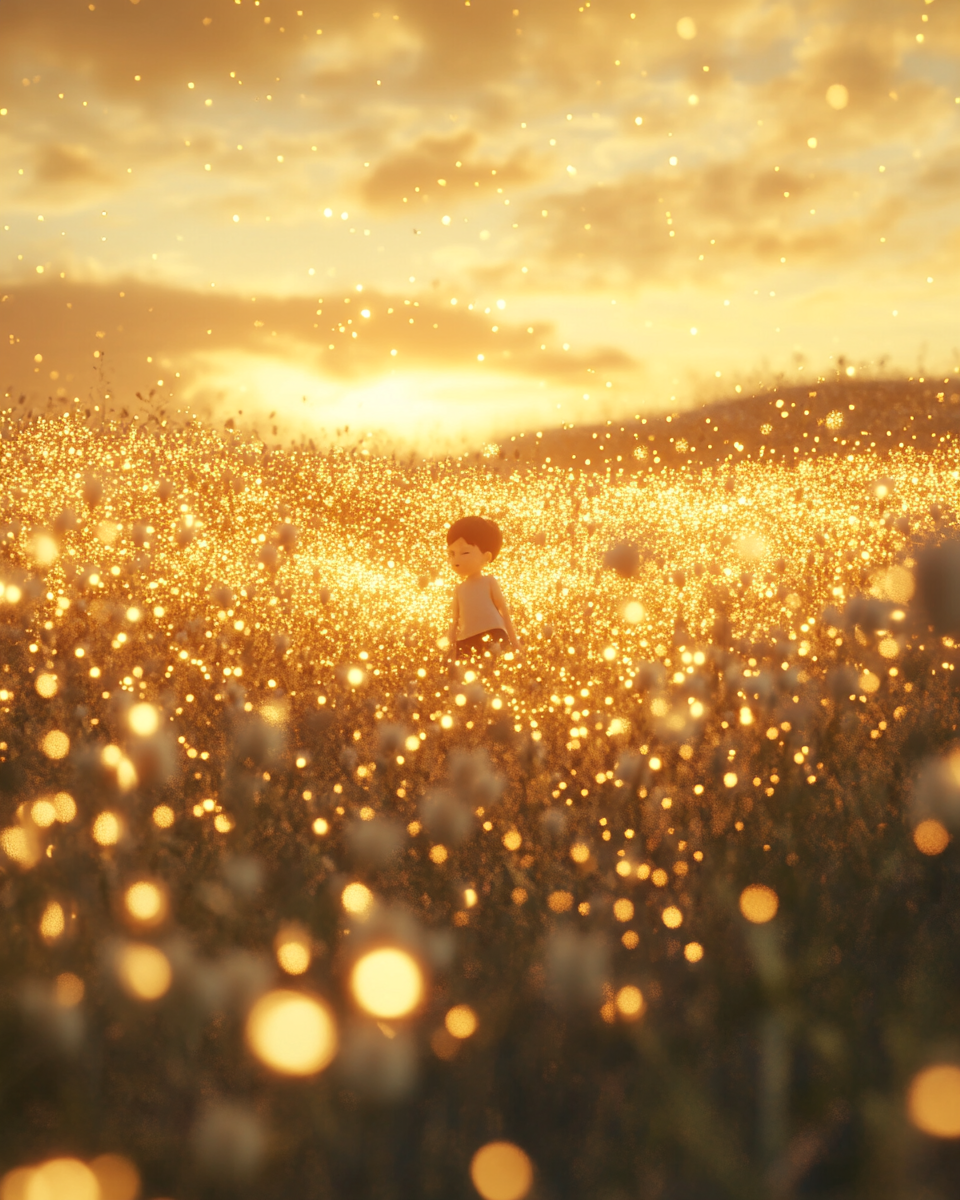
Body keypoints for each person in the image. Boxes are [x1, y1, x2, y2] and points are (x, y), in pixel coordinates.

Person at [446, 515, 521, 658]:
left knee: (493, 670)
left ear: (486, 557)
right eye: (452, 553)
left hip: (493, 633)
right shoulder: (459, 589)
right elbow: (454, 620)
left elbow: (504, 611)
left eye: (465, 552)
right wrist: (451, 646)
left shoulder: (489, 581)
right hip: (466, 639)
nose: (456, 560)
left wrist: (514, 641)